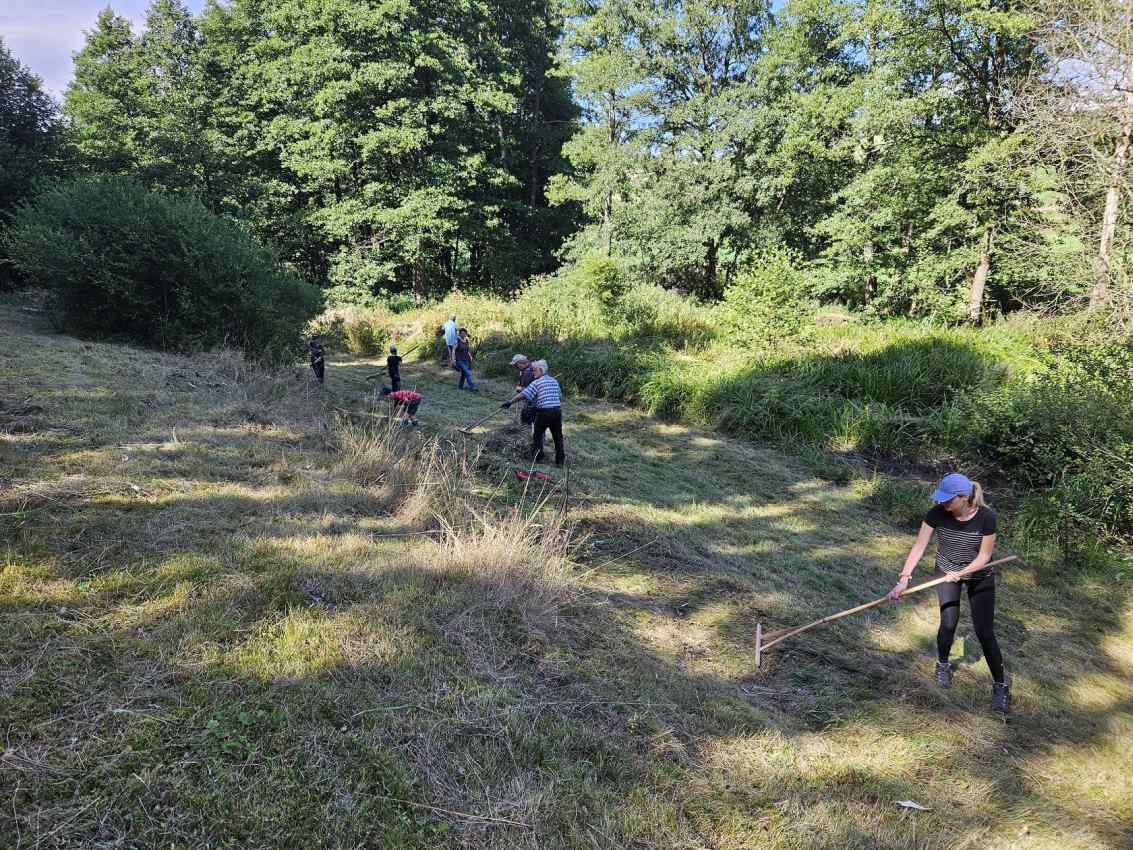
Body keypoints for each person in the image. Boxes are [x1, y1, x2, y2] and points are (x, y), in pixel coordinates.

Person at [888, 473, 1009, 712]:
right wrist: (904, 579)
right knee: (948, 622)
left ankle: (1000, 686)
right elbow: (919, 546)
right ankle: (942, 664)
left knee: (984, 632)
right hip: (945, 571)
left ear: (963, 497)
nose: (941, 502)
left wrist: (962, 572)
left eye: (947, 499)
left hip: (979, 576)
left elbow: (984, 556)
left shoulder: (986, 517)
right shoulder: (937, 513)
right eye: (940, 498)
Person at [501, 359, 564, 466]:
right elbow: (559, 396)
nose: (533, 372)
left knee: (538, 435)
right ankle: (560, 461)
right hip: (557, 411)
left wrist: (510, 402)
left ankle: (538, 458)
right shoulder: (554, 381)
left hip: (544, 412)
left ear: (541, 370)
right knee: (558, 436)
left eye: (534, 370)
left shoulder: (537, 382)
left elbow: (524, 394)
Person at [510, 354, 535, 426]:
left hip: (533, 401)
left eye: (516, 365)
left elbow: (527, 390)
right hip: (534, 400)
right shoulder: (529, 369)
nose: (515, 367)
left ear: (519, 363)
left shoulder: (528, 372)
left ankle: (526, 430)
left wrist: (520, 389)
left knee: (526, 419)